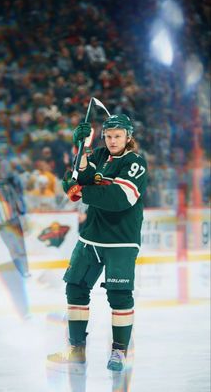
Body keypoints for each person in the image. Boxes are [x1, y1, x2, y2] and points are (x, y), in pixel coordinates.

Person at [47, 114, 147, 371]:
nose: (113, 140)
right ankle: (76, 349)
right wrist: (80, 148)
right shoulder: (100, 155)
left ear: (128, 137)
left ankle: (119, 352)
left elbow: (120, 198)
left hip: (121, 240)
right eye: (109, 136)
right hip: (91, 235)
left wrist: (81, 190)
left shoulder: (135, 163)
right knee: (76, 286)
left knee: (119, 295)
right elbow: (82, 176)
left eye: (118, 136)